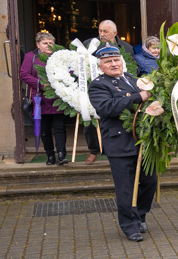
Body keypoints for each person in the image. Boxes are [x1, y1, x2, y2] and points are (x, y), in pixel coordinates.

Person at [87, 45, 156, 242]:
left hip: (143, 142)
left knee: (150, 182)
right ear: (101, 66)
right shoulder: (98, 85)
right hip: (120, 143)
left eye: (116, 60)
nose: (113, 64)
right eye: (108, 62)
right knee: (125, 188)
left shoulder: (134, 80)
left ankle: (140, 214)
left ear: (122, 61)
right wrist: (137, 97)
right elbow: (107, 108)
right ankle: (129, 225)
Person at [82, 20, 136, 164]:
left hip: (122, 88)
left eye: (105, 31)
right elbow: (79, 65)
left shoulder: (127, 48)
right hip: (95, 88)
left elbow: (132, 69)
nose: (101, 34)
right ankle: (93, 149)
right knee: (90, 121)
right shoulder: (89, 44)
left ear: (115, 33)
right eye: (100, 31)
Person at [20, 31, 70, 166]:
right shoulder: (30, 56)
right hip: (40, 99)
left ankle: (61, 154)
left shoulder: (59, 56)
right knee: (44, 130)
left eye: (51, 43)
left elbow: (70, 71)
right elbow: (24, 74)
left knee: (60, 127)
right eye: (45, 43)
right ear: (38, 44)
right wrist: (40, 84)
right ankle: (50, 156)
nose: (48, 45)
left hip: (57, 98)